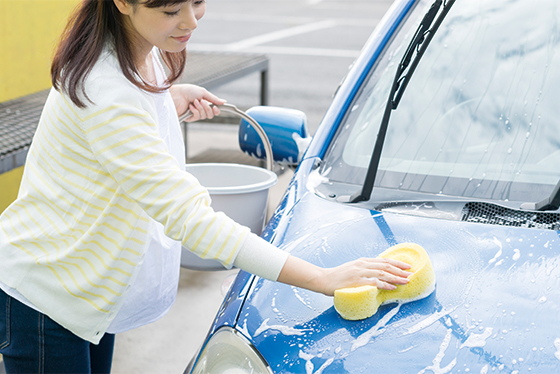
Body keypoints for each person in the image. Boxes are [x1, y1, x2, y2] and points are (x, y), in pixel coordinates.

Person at [0, 0, 412, 372]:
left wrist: (168, 100)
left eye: (197, 2)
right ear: (122, 3)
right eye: (170, 11)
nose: (190, 21)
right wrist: (321, 278)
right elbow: (188, 217)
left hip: (87, 291)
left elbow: (126, 120)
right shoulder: (105, 90)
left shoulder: (139, 53)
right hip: (48, 295)